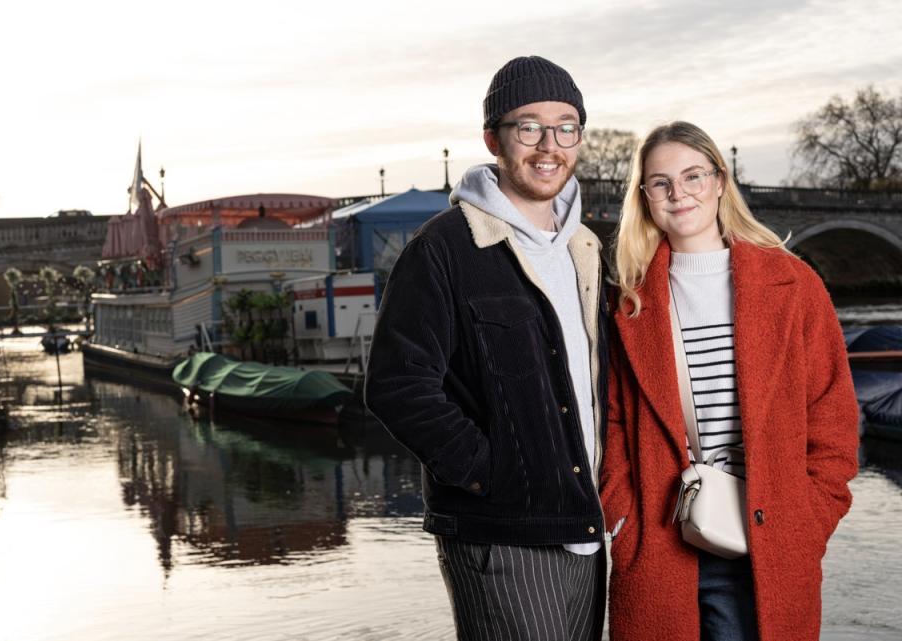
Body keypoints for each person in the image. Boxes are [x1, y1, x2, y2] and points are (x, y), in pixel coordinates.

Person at [365, 55, 609, 641]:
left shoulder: (586, 247)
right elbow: (397, 386)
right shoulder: (444, 249)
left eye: (565, 126)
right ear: (493, 138)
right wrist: (491, 472)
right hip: (502, 533)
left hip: (587, 524)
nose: (548, 145)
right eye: (528, 126)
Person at [600, 121, 859, 641]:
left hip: (769, 544)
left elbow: (832, 419)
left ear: (720, 181)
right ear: (645, 197)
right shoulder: (628, 300)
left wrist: (806, 525)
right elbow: (610, 423)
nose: (679, 193)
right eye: (661, 182)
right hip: (662, 544)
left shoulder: (793, 285)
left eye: (693, 176)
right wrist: (623, 518)